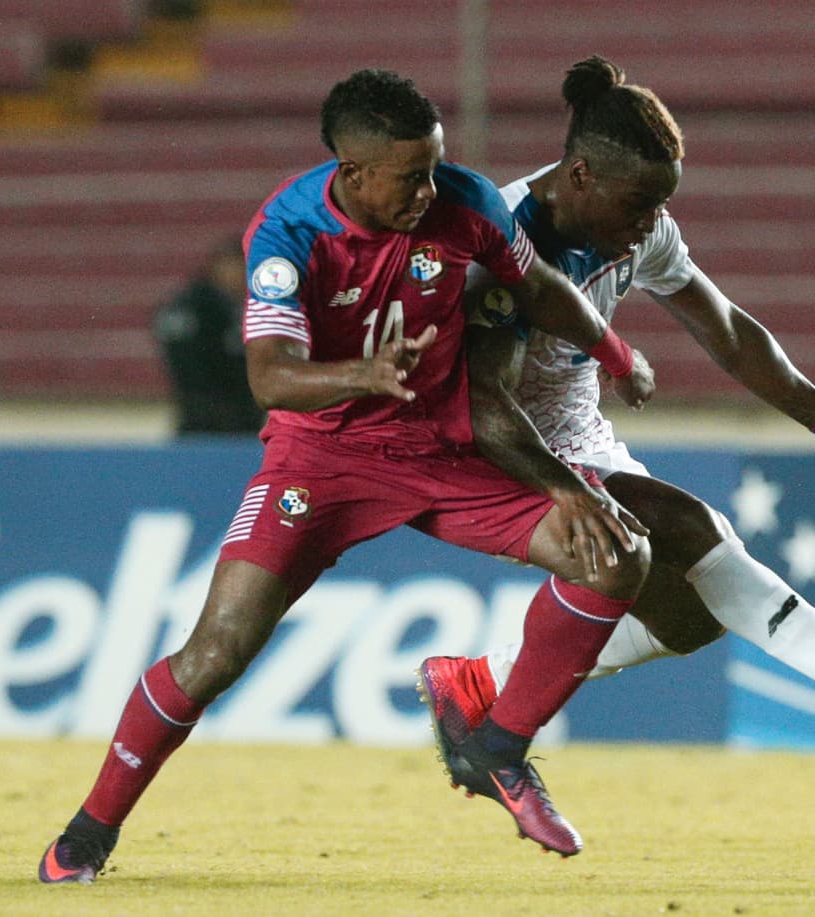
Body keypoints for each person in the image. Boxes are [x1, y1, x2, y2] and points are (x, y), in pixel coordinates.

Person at [37, 68, 660, 883]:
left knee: (617, 554)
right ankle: (87, 833)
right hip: (322, 456)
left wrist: (615, 351)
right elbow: (270, 376)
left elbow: (537, 287)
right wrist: (362, 375)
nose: (428, 191)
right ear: (354, 172)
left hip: (442, 445)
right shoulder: (288, 233)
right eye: (410, 177)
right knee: (217, 651)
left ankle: (499, 746)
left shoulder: (468, 203)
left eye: (434, 167)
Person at [418, 56, 815, 775]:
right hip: (492, 445)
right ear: (580, 175)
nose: (649, 225)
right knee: (694, 527)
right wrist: (569, 489)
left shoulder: (638, 228)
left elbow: (727, 331)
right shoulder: (507, 241)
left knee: (691, 617)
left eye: (660, 205)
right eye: (638, 204)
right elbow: (483, 397)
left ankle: (476, 682)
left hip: (577, 434)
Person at [152, 234, 266, 435]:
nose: (242, 276)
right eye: (239, 267)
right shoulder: (195, 307)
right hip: (205, 421)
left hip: (242, 424)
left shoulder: (249, 307)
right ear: (218, 268)